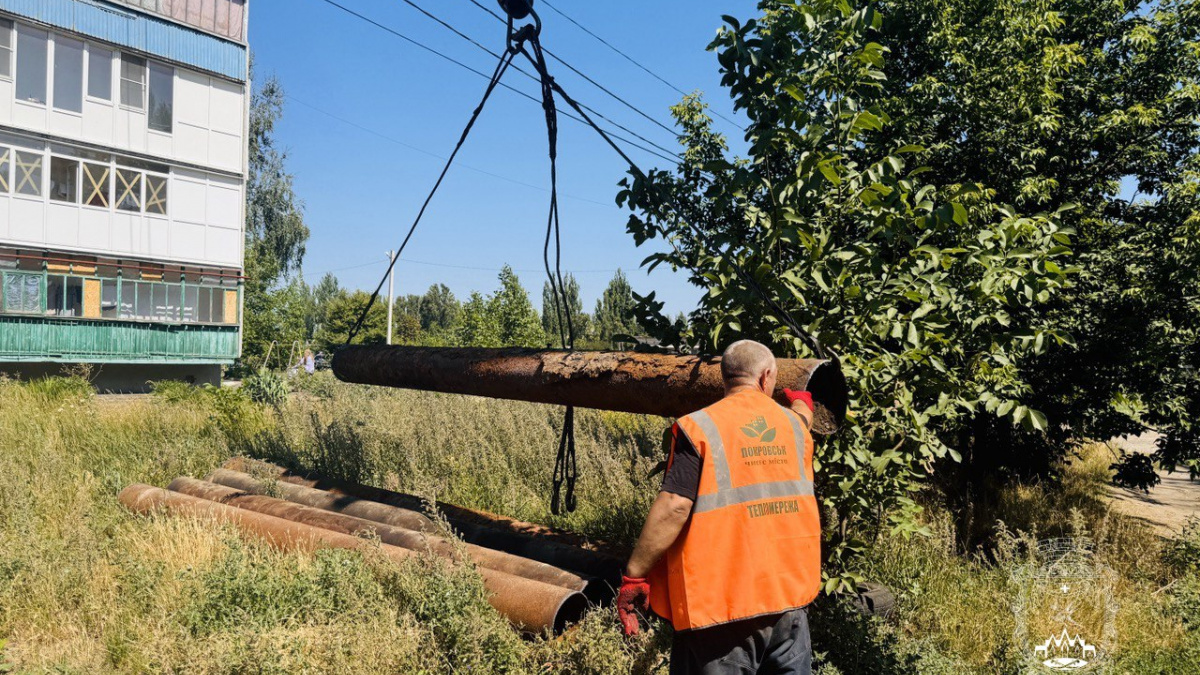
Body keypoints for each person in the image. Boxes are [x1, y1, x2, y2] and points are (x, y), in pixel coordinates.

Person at [618, 340, 821, 675]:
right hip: (789, 602)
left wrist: (634, 576)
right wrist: (802, 403)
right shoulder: (792, 426)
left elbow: (673, 507)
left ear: (726, 378)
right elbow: (802, 421)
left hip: (722, 612)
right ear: (766, 376)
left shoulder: (700, 427)